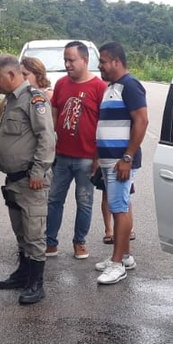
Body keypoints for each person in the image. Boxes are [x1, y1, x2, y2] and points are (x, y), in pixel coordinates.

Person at [0, 55, 57, 304]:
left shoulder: (35, 100)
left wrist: (38, 172)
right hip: (13, 180)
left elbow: (47, 139)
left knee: (34, 233)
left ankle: (36, 284)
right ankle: (23, 274)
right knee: (21, 232)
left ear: (12, 76)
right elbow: (9, 135)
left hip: (30, 180)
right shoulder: (10, 102)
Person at [45, 41, 106, 260]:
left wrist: (98, 157)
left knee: (84, 202)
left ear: (85, 60)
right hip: (61, 156)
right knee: (53, 200)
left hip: (86, 158)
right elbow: (54, 113)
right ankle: (50, 242)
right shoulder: (61, 84)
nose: (67, 64)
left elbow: (103, 125)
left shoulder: (99, 87)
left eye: (71, 60)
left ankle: (79, 242)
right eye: (65, 60)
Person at [93, 41, 147, 285]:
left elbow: (142, 121)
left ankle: (117, 265)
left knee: (119, 208)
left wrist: (127, 157)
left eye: (103, 61)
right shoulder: (111, 87)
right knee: (119, 205)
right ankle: (124, 256)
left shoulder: (130, 86)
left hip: (119, 162)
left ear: (116, 61)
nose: (100, 66)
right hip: (108, 161)